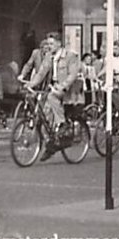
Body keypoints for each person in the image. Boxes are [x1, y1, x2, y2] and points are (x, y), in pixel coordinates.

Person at [28, 32, 84, 161]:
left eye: (52, 43)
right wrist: (31, 84)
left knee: (51, 97)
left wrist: (63, 86)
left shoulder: (70, 56)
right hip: (53, 88)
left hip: (68, 90)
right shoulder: (48, 56)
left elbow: (72, 74)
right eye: (48, 43)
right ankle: (51, 143)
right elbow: (41, 73)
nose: (49, 46)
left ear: (59, 44)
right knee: (43, 113)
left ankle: (62, 123)